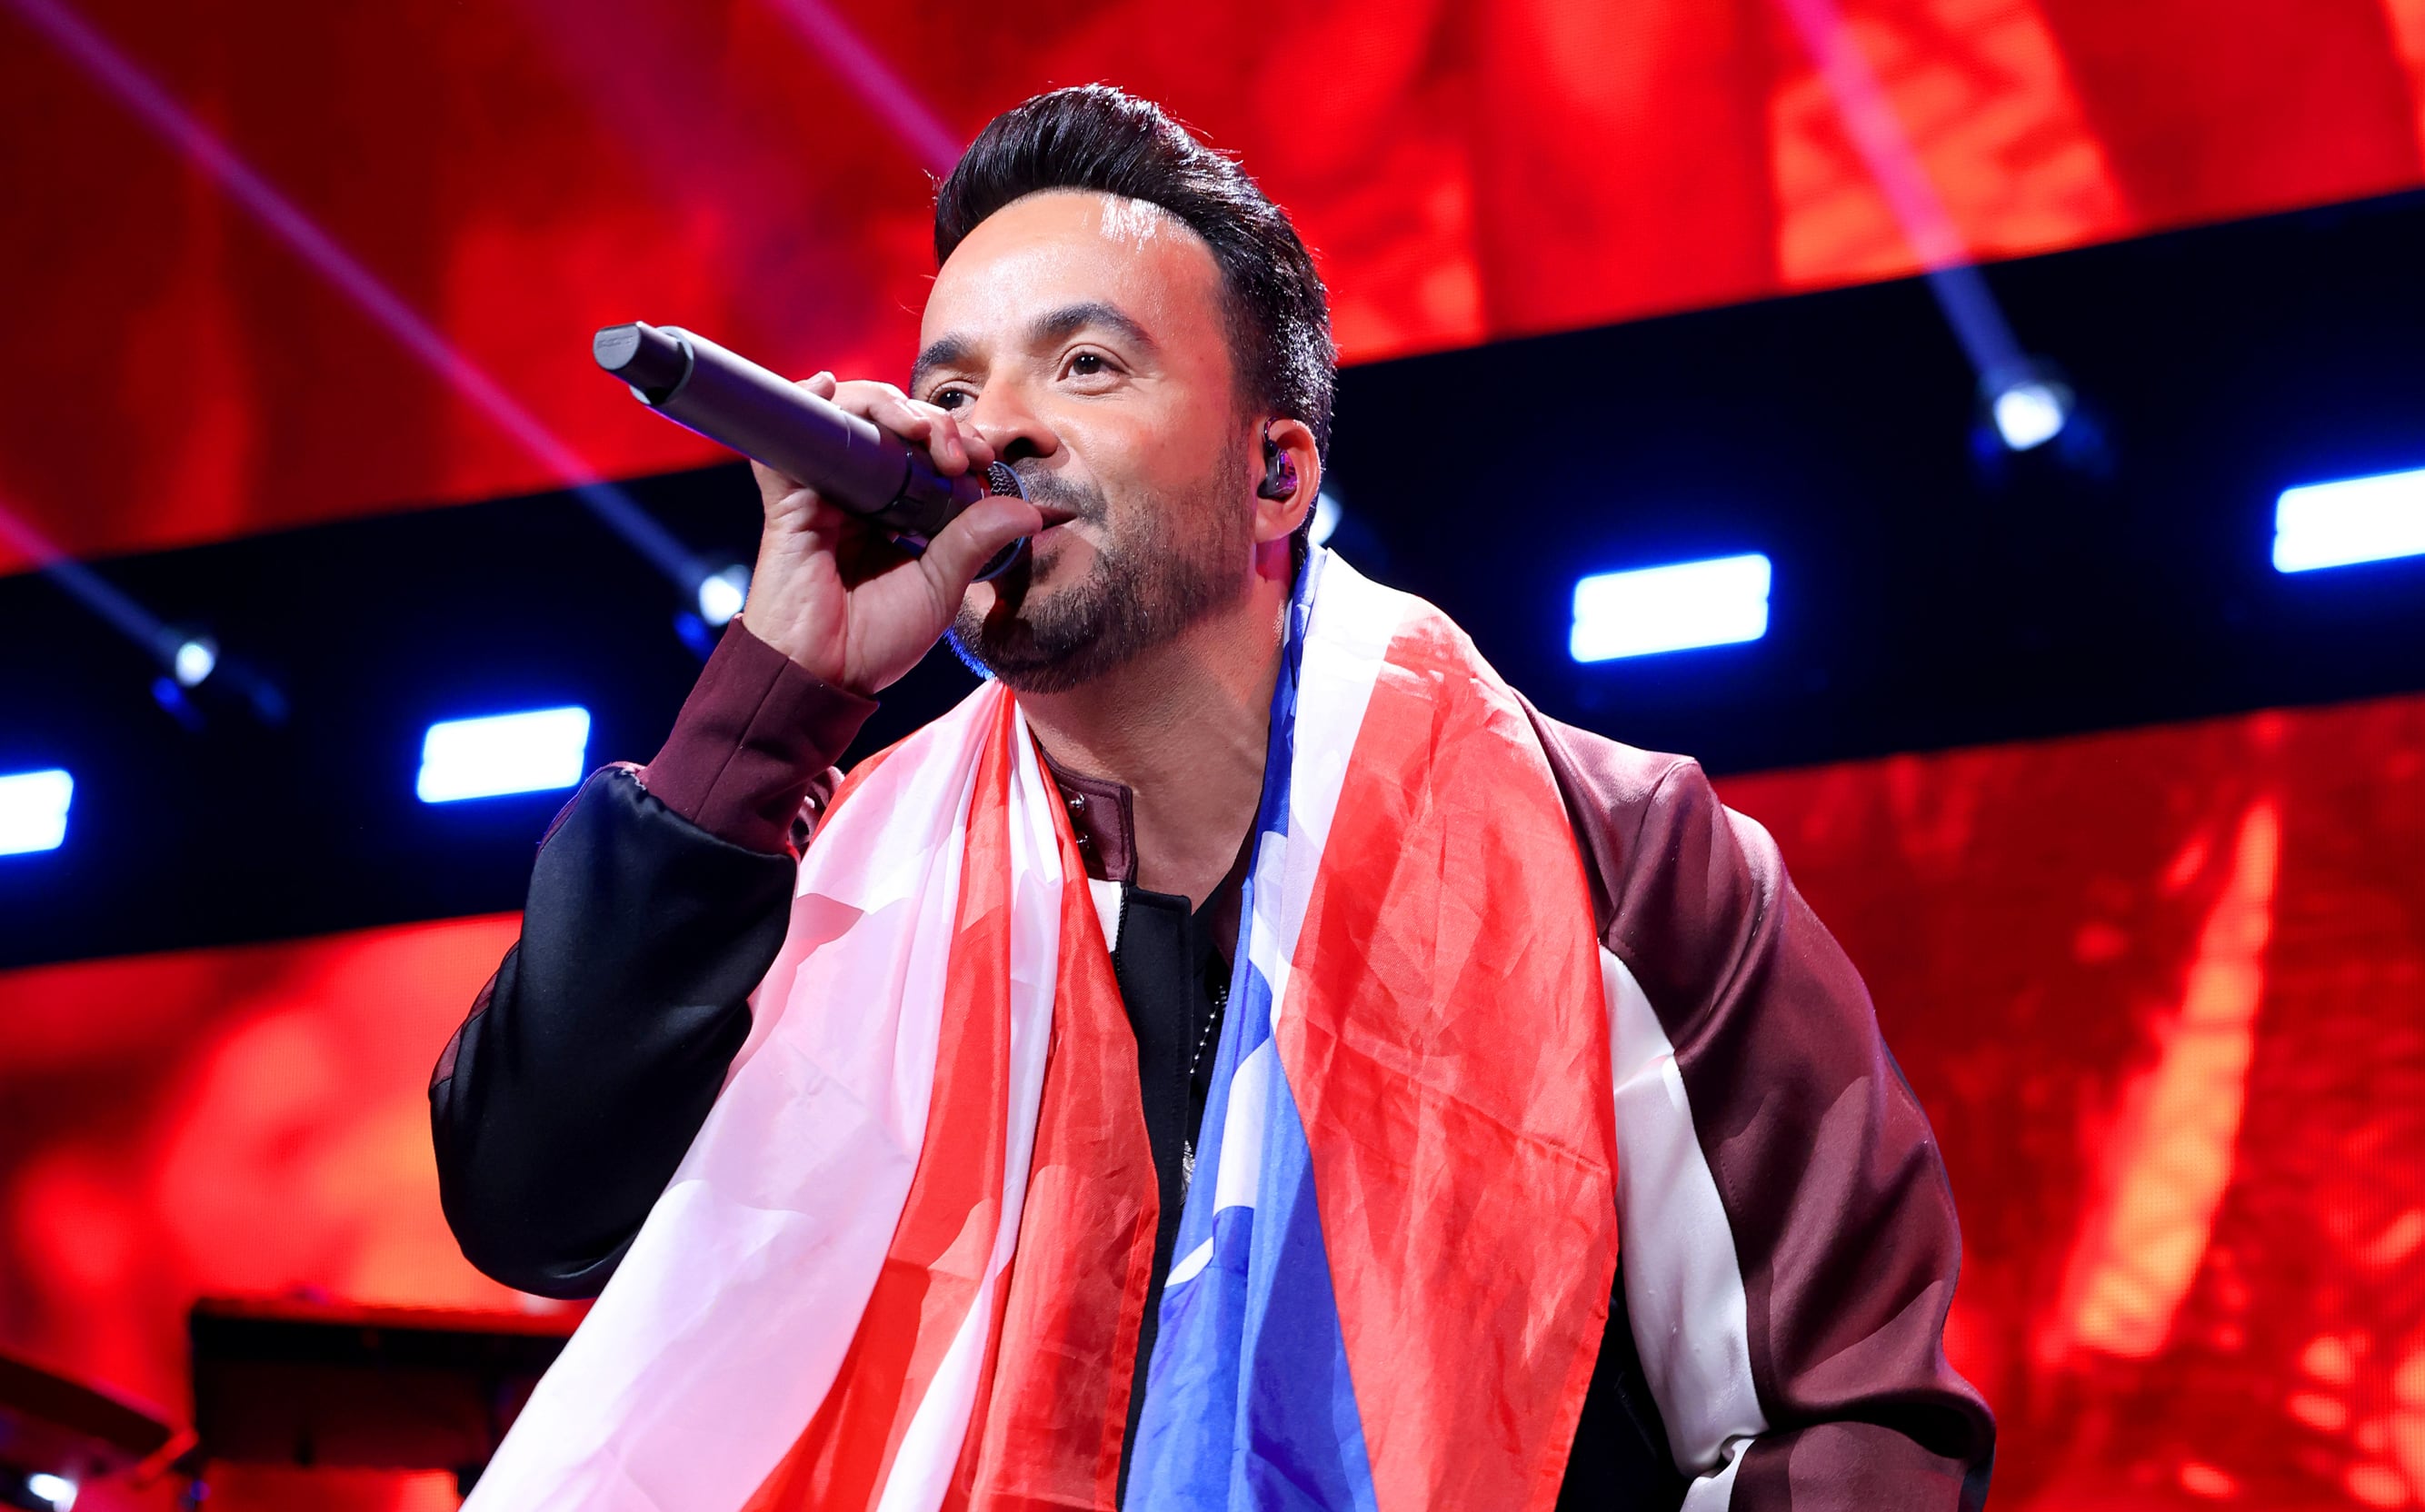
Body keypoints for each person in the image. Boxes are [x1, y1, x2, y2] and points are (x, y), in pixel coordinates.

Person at [431, 85, 1993, 1510]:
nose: (998, 428)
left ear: (1278, 474)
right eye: (954, 385)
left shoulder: (1623, 857)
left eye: (1088, 363)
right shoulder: (840, 887)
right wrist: (777, 695)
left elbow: (1842, 1423)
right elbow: (526, 1202)